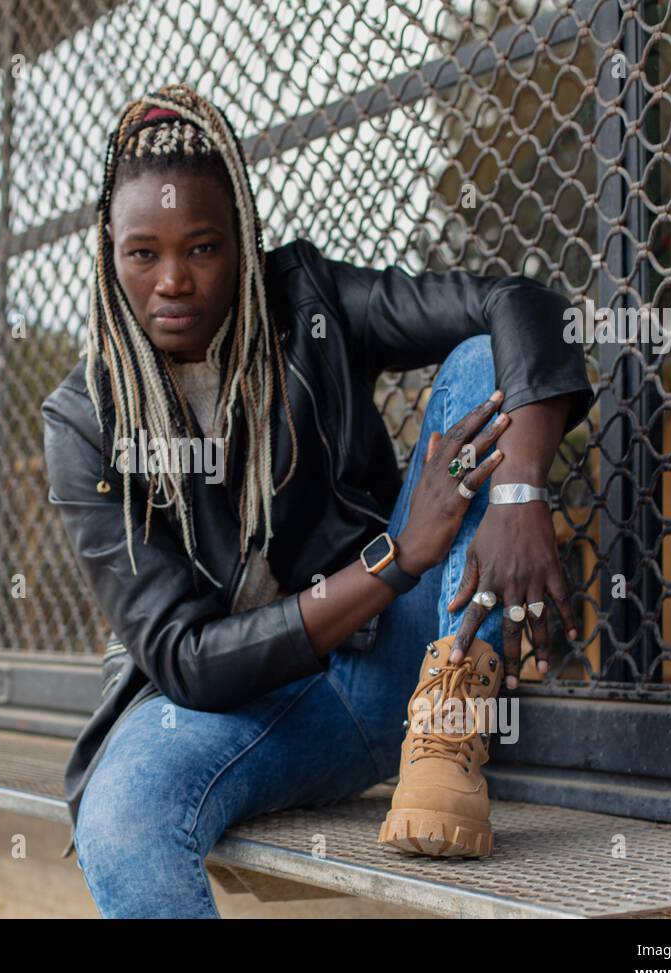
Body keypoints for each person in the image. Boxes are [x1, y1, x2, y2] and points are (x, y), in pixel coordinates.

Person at [40, 83, 591, 917]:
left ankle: (449, 729)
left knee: (482, 362)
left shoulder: (312, 305)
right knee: (121, 821)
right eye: (142, 254)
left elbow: (514, 302)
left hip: (399, 669)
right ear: (107, 255)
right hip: (232, 712)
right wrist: (396, 559)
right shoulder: (85, 421)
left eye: (203, 248)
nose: (174, 282)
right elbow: (185, 658)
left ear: (243, 243)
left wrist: (517, 492)